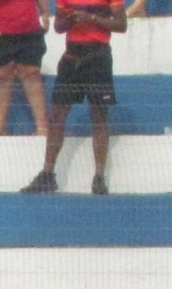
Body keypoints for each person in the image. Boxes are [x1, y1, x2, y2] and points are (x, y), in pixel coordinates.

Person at [24, 0, 125, 192]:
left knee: (99, 117)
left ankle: (99, 177)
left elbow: (121, 25)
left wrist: (92, 18)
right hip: (72, 57)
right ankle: (47, 173)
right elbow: (58, 27)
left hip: (98, 58)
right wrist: (70, 20)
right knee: (56, 116)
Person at [0, 0, 50, 136]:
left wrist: (45, 13)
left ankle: (42, 126)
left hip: (29, 29)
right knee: (1, 77)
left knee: (31, 74)